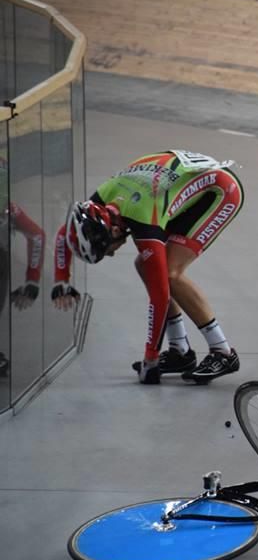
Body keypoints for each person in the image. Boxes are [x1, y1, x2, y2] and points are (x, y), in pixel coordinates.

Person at [53, 150, 244, 384]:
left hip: (220, 191)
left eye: (107, 250)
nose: (112, 254)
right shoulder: (99, 202)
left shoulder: (143, 219)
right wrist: (62, 280)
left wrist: (150, 359)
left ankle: (223, 352)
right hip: (169, 187)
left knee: (171, 274)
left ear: (113, 231)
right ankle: (180, 351)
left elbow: (160, 296)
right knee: (146, 266)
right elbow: (66, 231)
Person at [0, 201, 46, 375]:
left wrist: (32, 280)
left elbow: (37, 236)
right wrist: (32, 280)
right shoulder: (8, 207)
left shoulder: (8, 208)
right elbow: (37, 236)